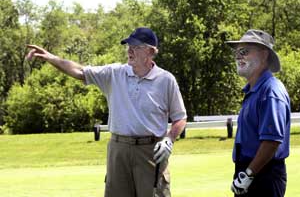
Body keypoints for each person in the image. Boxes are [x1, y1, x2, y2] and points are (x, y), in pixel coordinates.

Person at [26, 27, 187, 197]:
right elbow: (80, 71)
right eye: (128, 46)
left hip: (150, 151)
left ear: (151, 51)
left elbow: (180, 117)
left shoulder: (165, 80)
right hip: (118, 150)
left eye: (136, 47)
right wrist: (51, 57)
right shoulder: (114, 73)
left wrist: (169, 139)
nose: (129, 50)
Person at [225, 29, 291, 197]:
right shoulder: (254, 90)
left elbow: (271, 142)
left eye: (244, 52)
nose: (238, 56)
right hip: (250, 171)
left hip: (263, 175)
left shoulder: (270, 91)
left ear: (264, 55)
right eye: (237, 52)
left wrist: (248, 175)